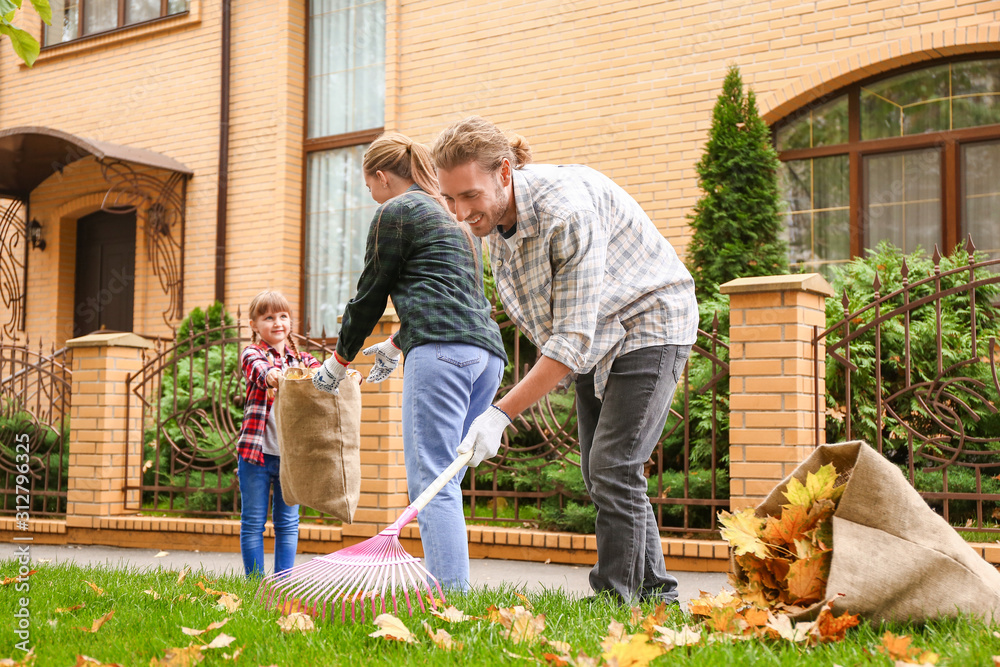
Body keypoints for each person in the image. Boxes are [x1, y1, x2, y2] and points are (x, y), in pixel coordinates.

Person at [432, 116, 699, 605]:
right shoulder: (490, 222)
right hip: (594, 337)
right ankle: (657, 596)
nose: (459, 212)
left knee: (614, 465)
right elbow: (548, 323)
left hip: (650, 318)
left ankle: (615, 600)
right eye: (449, 198)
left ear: (505, 173)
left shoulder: (564, 211)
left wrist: (499, 414)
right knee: (603, 472)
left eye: (468, 195)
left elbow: (569, 339)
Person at [311, 132, 507, 592]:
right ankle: (453, 588)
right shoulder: (451, 213)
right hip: (486, 356)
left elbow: (369, 294)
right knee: (445, 481)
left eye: (369, 186)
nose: (371, 196)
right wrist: (397, 343)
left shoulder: (395, 211)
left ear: (381, 176)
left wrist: (338, 363)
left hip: (442, 354)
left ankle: (450, 599)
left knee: (428, 482)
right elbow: (450, 296)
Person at [236, 290, 321, 578]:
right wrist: (271, 375)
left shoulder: (304, 360)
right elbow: (259, 369)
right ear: (253, 324)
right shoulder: (253, 353)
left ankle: (283, 582)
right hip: (255, 455)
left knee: (287, 523)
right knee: (253, 523)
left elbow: (323, 378)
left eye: (283, 316)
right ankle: (255, 585)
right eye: (268, 317)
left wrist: (346, 377)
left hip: (290, 458)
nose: (277, 323)